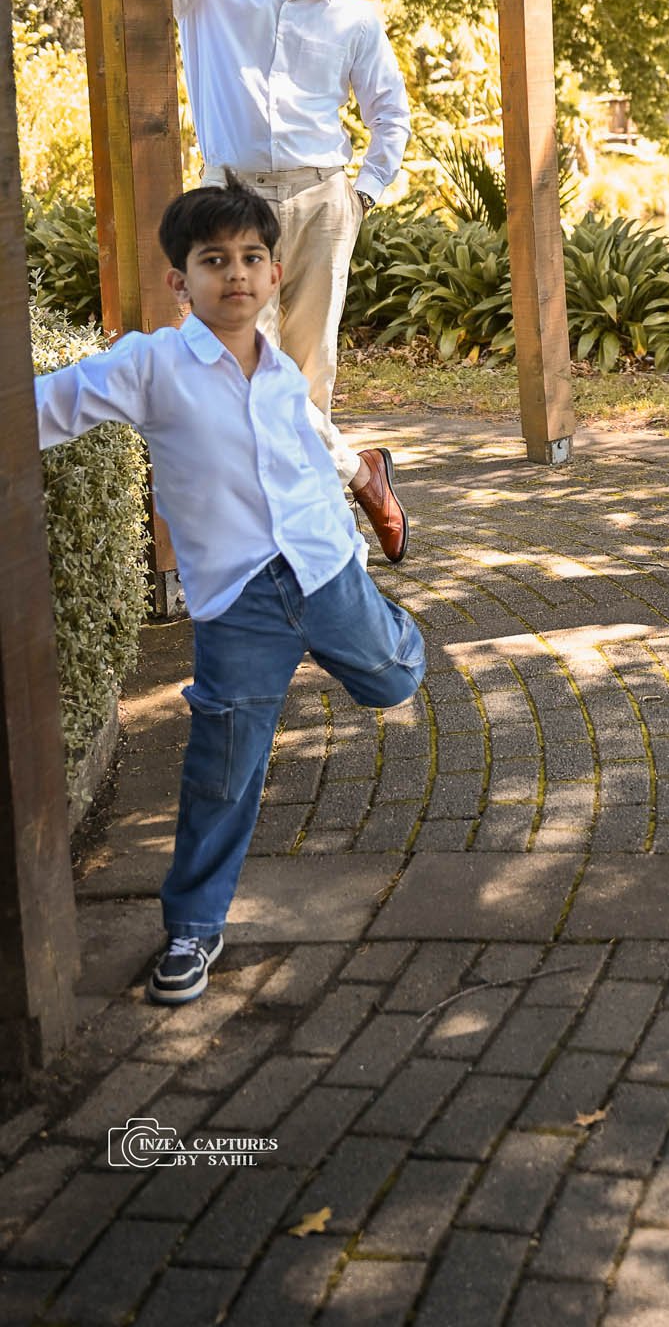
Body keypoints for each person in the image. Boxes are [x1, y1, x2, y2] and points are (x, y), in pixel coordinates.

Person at [33, 178, 426, 1003]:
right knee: (223, 769)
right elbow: (47, 406)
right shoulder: (152, 366)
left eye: (251, 258)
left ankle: (390, 627)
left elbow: (305, 460)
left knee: (394, 679)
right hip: (238, 605)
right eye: (214, 261)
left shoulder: (282, 373)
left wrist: (348, 523)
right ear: (181, 280)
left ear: (275, 274)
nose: (236, 274)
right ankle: (192, 929)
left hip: (325, 572)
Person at [83, 0, 412, 561]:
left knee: (308, 370)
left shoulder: (354, 17)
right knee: (240, 370)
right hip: (233, 205)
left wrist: (363, 194)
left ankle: (315, 542)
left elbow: (390, 114)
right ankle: (361, 474)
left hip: (322, 197)